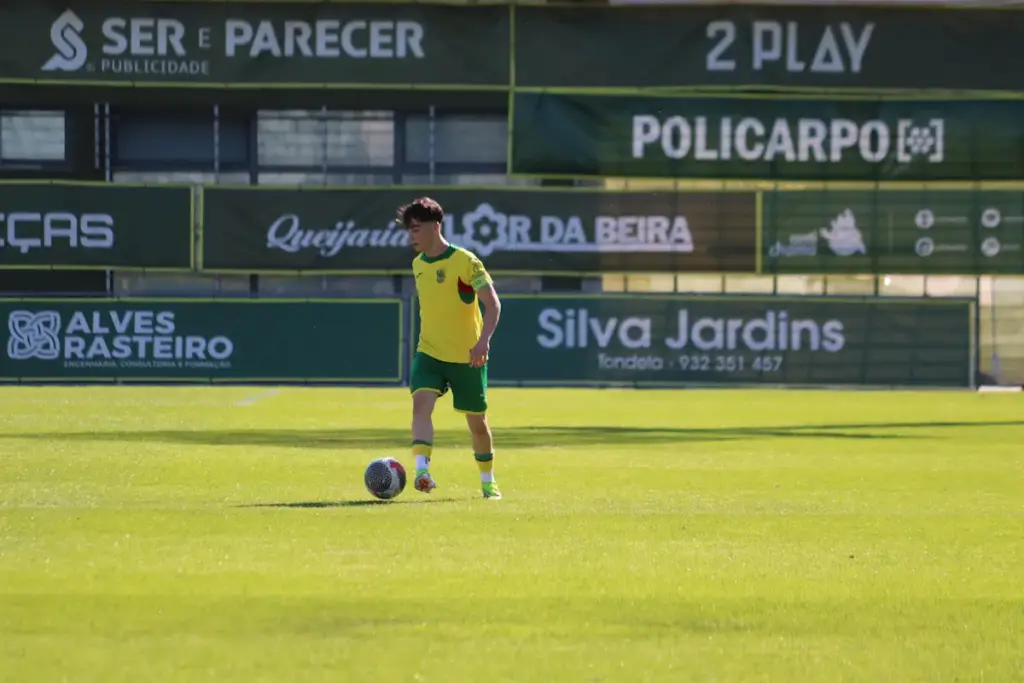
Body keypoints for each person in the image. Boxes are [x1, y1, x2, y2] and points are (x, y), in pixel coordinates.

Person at [398, 197, 503, 500]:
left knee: (478, 425)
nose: (412, 236)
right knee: (421, 406)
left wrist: (483, 341)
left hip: (466, 357)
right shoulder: (418, 264)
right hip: (429, 352)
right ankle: (422, 471)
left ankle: (488, 482)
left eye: (416, 229)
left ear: (435, 227)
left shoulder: (465, 261)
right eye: (409, 230)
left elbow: (493, 305)